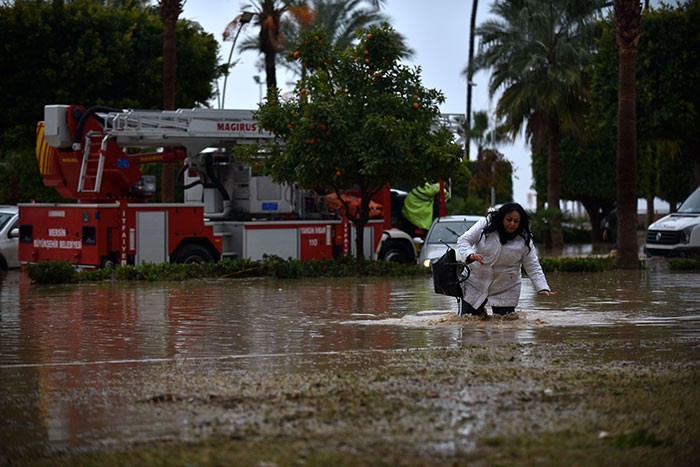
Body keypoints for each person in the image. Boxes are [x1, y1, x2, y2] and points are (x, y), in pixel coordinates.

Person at [456, 203, 556, 317]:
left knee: (505, 326)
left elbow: (532, 265)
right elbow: (463, 240)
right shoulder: (485, 224)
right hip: (475, 282)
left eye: (516, 221)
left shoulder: (524, 239)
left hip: (506, 287)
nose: (512, 224)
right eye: (509, 220)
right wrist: (470, 254)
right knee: (469, 322)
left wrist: (542, 287)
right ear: (502, 217)